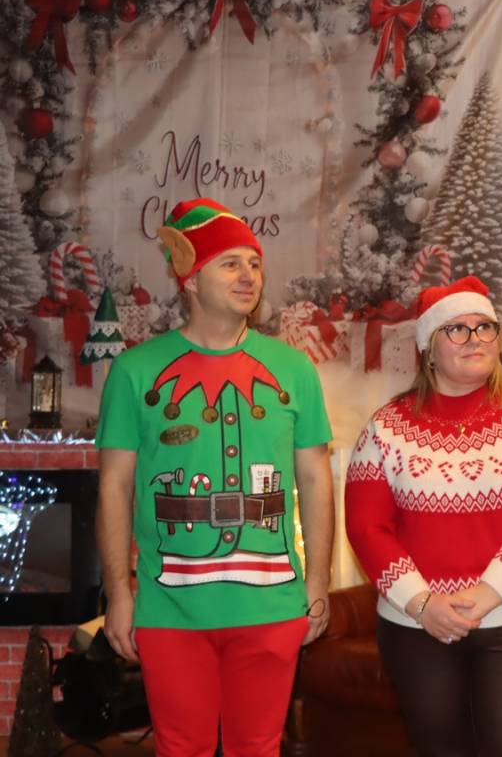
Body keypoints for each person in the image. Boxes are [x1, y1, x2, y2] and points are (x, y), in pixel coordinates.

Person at [96, 197, 334, 757]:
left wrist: (318, 582)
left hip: (272, 604)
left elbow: (316, 481)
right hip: (169, 606)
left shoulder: (295, 369)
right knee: (182, 749)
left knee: (259, 748)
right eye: (229, 264)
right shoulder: (134, 372)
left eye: (254, 263)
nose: (248, 275)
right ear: (189, 278)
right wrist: (118, 593)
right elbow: (113, 488)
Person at [344, 275, 502, 757]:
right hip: (417, 627)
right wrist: (422, 603)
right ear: (428, 349)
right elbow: (366, 528)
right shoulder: (385, 428)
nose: (475, 339)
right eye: (457, 329)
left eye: (485, 327)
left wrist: (487, 593)